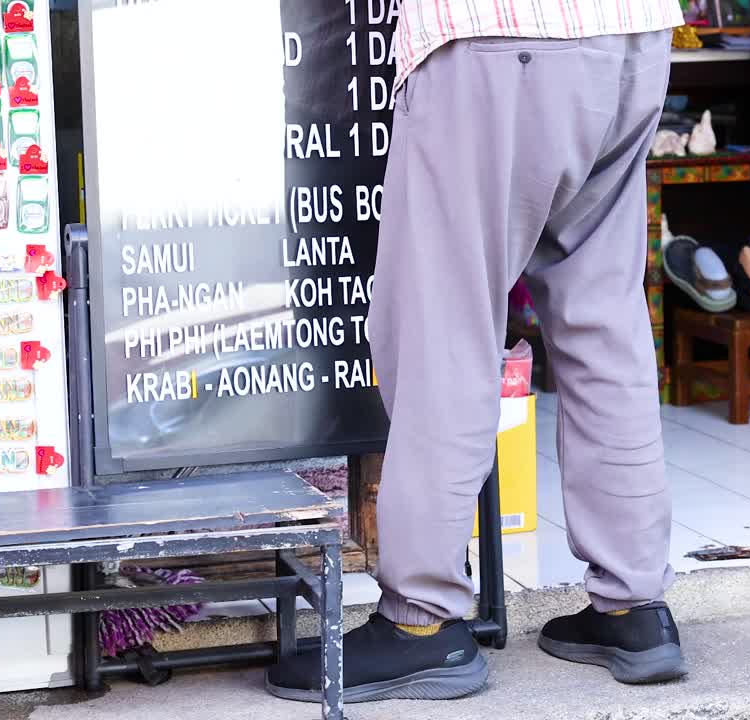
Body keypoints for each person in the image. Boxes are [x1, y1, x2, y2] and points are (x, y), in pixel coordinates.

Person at [268, 0, 686, 703]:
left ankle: (421, 626)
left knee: (443, 327)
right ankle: (633, 609)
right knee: (603, 321)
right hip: (630, 37)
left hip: (498, 34)